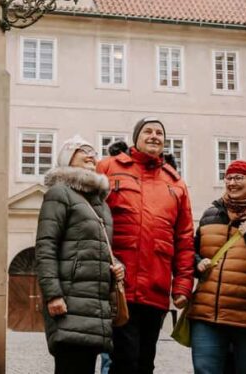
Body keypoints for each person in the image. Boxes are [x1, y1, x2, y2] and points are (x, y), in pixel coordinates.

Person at [97, 117, 195, 374]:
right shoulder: (108, 168)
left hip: (156, 288)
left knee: (145, 362)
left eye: (159, 133)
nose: (154, 136)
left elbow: (184, 239)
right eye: (148, 131)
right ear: (136, 138)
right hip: (118, 285)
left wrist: (182, 285)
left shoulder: (176, 183)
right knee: (123, 360)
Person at [35, 135, 125, 374]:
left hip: (95, 306)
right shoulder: (59, 193)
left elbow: (100, 250)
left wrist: (117, 266)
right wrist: (53, 294)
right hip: (70, 301)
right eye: (82, 149)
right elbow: (45, 246)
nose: (91, 154)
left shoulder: (100, 204)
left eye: (93, 151)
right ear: (67, 157)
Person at [188, 160, 246, 374]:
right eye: (228, 178)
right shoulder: (210, 215)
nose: (232, 183)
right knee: (205, 370)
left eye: (239, 178)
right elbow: (188, 252)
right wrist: (197, 262)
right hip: (208, 314)